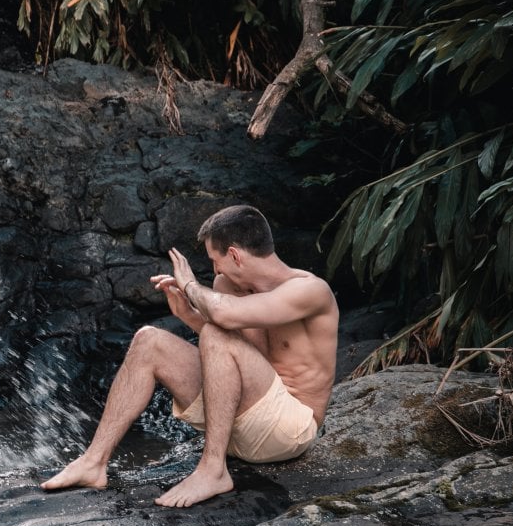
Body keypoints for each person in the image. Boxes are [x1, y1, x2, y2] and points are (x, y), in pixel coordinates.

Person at [41, 204, 338, 508]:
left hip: (288, 431)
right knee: (149, 340)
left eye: (215, 260)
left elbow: (224, 321)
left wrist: (190, 285)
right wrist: (188, 315)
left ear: (235, 254)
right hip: (245, 417)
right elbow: (250, 356)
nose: (215, 272)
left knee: (216, 331)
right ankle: (93, 463)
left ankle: (213, 471)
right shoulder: (229, 285)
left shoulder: (310, 291)